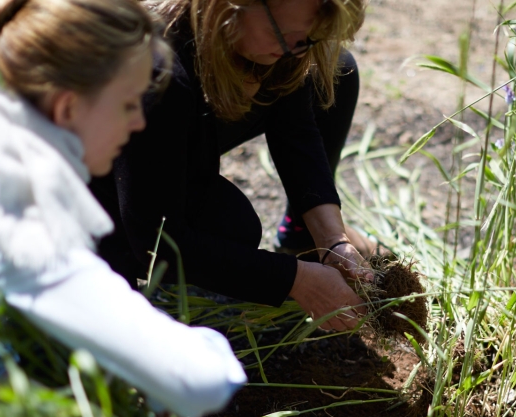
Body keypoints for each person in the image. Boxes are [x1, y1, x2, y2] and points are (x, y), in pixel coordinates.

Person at [0, 0, 247, 417]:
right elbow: (198, 381)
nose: (137, 122)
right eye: (129, 104)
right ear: (69, 107)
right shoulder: (7, 223)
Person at [89, 0, 373, 332]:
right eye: (283, 35)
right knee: (229, 227)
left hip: (175, 122)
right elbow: (157, 238)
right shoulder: (159, 71)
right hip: (86, 168)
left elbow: (294, 127)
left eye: (308, 39)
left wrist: (332, 239)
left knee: (337, 70)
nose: (296, 49)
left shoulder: (281, 46)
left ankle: (301, 236)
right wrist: (295, 281)